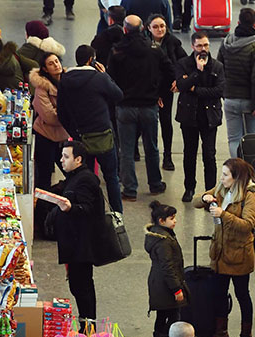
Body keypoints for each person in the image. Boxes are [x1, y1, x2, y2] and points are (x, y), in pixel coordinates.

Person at [196, 159, 255, 337]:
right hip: (220, 252)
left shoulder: (250, 196)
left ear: (237, 177)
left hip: (239, 254)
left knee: (242, 295)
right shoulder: (222, 188)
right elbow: (195, 200)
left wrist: (223, 214)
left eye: (225, 175)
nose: (221, 178)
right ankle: (220, 333)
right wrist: (204, 199)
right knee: (218, 293)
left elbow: (247, 224)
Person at [108, 16, 172, 201]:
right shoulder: (154, 50)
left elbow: (110, 78)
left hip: (125, 107)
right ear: (143, 28)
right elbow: (169, 71)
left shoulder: (117, 51)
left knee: (127, 150)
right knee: (151, 147)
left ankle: (129, 190)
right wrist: (158, 90)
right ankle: (155, 184)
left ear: (125, 30)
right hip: (149, 106)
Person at [41, 141, 105, 325]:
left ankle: (88, 324)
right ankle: (86, 322)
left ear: (78, 159)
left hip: (82, 245)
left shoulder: (85, 179)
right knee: (78, 285)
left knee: (82, 285)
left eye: (66, 157)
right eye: (62, 156)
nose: (61, 160)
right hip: (74, 243)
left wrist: (69, 208)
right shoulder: (74, 176)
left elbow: (88, 209)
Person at [58, 45, 124, 212]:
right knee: (111, 178)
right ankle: (117, 215)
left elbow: (62, 113)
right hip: (103, 135)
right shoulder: (99, 78)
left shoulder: (65, 80)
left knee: (83, 178)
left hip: (80, 137)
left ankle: (89, 211)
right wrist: (105, 75)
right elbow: (118, 95)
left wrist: (73, 131)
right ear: (91, 60)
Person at [176, 32, 226, 203]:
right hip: (189, 116)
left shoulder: (217, 66)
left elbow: (219, 91)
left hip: (209, 117)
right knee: (189, 153)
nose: (203, 49)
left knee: (209, 155)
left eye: (205, 45)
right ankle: (189, 188)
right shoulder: (183, 64)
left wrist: (195, 90)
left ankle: (210, 191)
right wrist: (197, 72)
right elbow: (182, 86)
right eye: (199, 46)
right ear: (192, 47)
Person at [144, 202, 188, 337]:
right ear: (161, 221)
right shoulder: (164, 241)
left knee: (162, 315)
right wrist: (177, 289)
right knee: (174, 316)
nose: (175, 221)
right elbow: (168, 267)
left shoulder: (158, 236)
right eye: (172, 218)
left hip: (159, 283)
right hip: (166, 286)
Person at [147, 14, 186, 172]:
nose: (160, 29)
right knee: (146, 123)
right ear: (148, 28)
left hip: (166, 89)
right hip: (148, 90)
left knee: (165, 122)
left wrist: (179, 80)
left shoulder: (173, 42)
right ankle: (139, 151)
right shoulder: (144, 44)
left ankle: (167, 156)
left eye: (162, 26)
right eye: (155, 27)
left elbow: (184, 63)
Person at [29, 47, 71, 193]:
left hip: (63, 136)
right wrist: (68, 114)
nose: (56, 65)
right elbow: (49, 116)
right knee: (44, 177)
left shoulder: (68, 81)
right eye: (51, 63)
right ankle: (42, 211)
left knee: (72, 173)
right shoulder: (42, 88)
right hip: (45, 135)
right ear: (45, 69)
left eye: (57, 61)